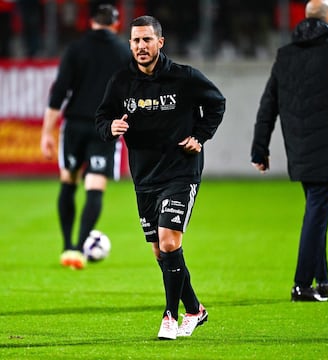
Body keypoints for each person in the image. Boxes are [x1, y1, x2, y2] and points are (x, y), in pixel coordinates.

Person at [95, 15, 225, 339]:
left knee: (169, 241)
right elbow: (102, 117)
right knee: (160, 252)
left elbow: (217, 104)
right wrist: (110, 128)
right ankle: (196, 309)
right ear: (130, 44)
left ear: (160, 43)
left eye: (147, 40)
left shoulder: (184, 78)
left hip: (181, 171)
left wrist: (200, 136)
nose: (141, 46)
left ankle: (170, 315)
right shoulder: (121, 82)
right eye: (136, 41)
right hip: (145, 177)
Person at [251, 0, 328, 301]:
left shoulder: (285, 56)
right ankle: (302, 284)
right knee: (317, 212)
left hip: (297, 146)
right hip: (327, 147)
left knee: (316, 211)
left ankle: (322, 279)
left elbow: (267, 105)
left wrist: (260, 148)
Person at [40, 4, 131, 270]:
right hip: (105, 127)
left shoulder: (75, 50)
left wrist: (47, 132)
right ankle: (80, 249)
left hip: (76, 125)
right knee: (95, 186)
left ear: (91, 22)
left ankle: (67, 246)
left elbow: (59, 95)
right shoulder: (124, 52)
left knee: (68, 181)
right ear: (115, 24)